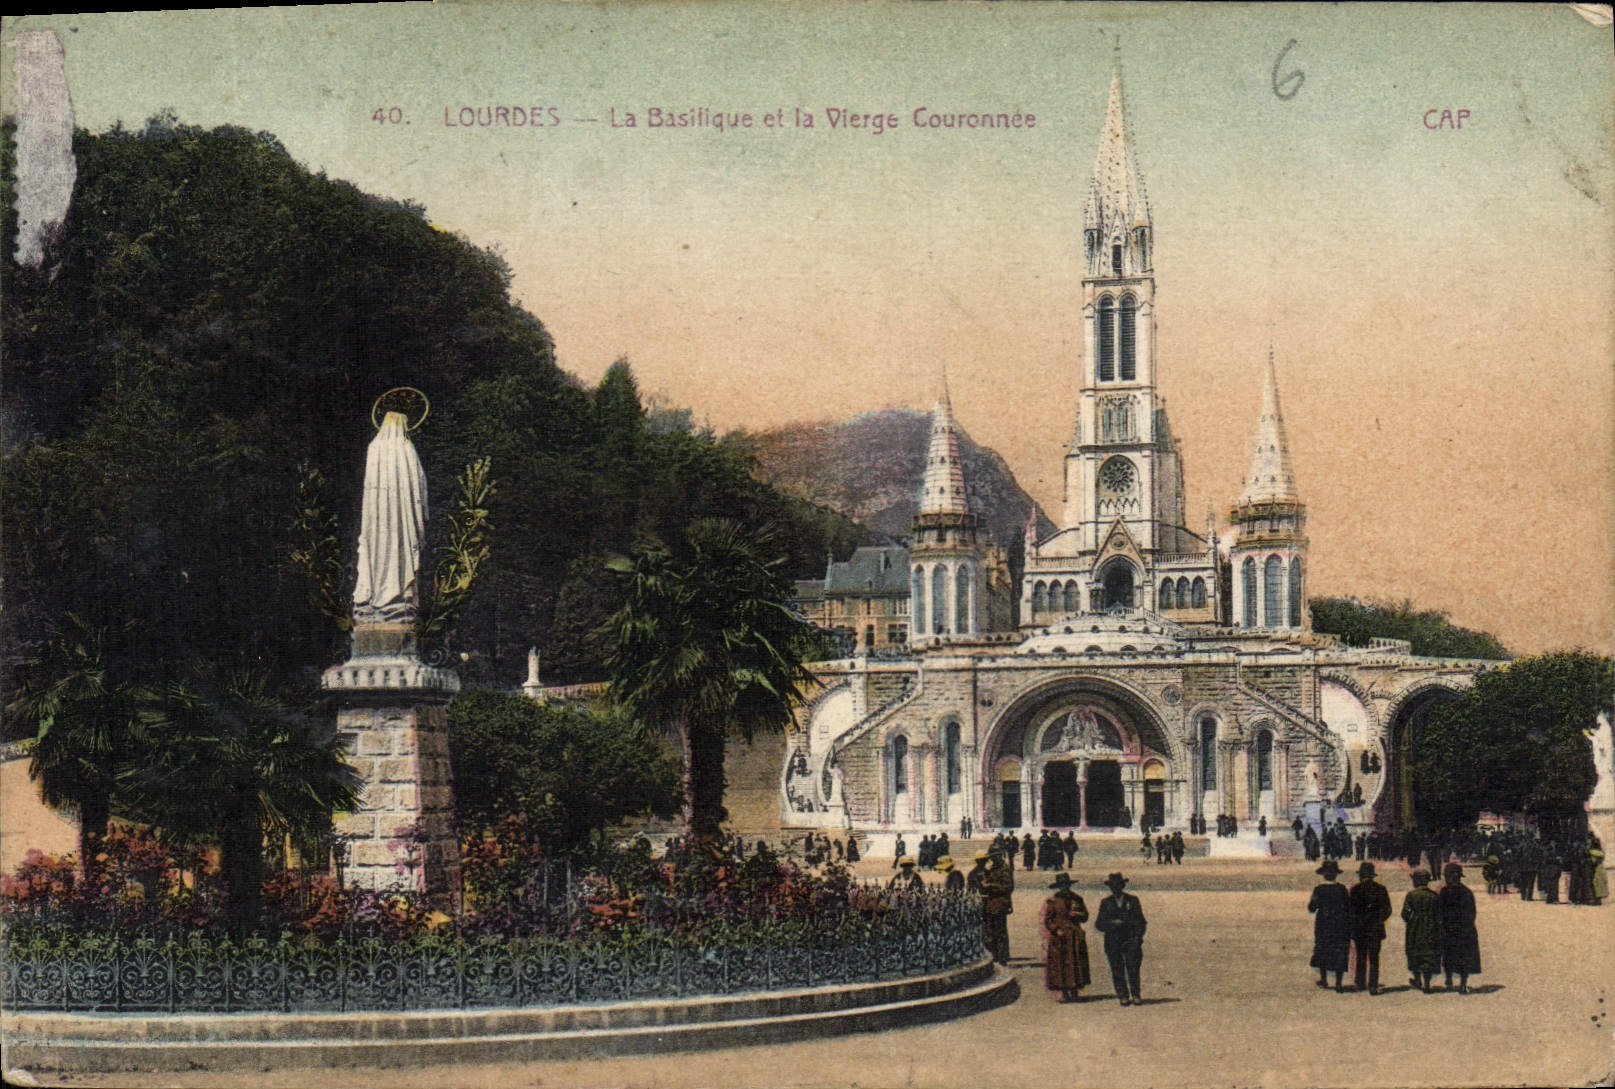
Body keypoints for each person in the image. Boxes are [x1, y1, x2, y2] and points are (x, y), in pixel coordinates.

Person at [1094, 872, 1147, 1006]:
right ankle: (1122, 995)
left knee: (1133, 968)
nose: (1116, 888)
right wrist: (1112, 923)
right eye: (1113, 886)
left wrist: (1138, 938)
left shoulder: (1133, 900)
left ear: (1122, 886)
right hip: (1113, 941)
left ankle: (1136, 994)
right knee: (1117, 969)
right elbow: (1099, 924)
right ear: (1110, 887)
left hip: (1130, 940)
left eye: (1118, 885)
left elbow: (1141, 921)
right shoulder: (1106, 903)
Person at [1040, 873, 1091, 1003]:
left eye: (1066, 885)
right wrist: (1055, 929)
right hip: (1060, 936)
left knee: (1075, 963)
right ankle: (1064, 992)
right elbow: (1048, 919)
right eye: (1062, 886)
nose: (1064, 888)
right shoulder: (1053, 901)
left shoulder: (1077, 899)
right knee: (1061, 963)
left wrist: (1077, 914)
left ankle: (1074, 991)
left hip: (1074, 935)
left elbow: (1085, 916)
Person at [1308, 858, 1351, 992]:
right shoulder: (1342, 889)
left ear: (1323, 874)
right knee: (1339, 951)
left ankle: (1324, 980)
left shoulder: (1319, 890)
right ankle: (1339, 982)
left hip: (1323, 924)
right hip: (1339, 924)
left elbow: (1312, 908)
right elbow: (1348, 907)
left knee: (1323, 949)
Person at [1437, 862, 1481, 993]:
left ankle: (1449, 980)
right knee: (1464, 957)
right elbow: (1472, 913)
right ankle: (1462, 984)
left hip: (1449, 929)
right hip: (1464, 930)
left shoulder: (1444, 892)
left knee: (1449, 954)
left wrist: (1441, 925)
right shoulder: (1466, 892)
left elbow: (1439, 911)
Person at [1349, 861, 1392, 994]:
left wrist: (1356, 922)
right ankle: (1373, 984)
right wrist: (1378, 920)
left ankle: (1360, 982)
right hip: (1375, 928)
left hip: (1360, 928)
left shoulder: (1355, 890)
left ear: (1361, 875)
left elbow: (1350, 910)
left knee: (1361, 955)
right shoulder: (1380, 889)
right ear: (1373, 875)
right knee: (1374, 957)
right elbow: (1387, 909)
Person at [1401, 870, 1441, 993]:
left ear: (1417, 881)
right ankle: (1427, 983)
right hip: (1431, 927)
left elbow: (1404, 914)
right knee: (1428, 953)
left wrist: (1411, 919)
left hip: (1415, 927)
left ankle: (1417, 979)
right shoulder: (1434, 895)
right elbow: (1439, 914)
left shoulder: (1411, 895)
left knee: (1414, 951)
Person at [981, 850, 1015, 965]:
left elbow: (1008, 887)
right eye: (992, 857)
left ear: (999, 856)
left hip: (1000, 903)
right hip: (992, 904)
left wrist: (991, 886)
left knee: (1000, 932)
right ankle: (995, 956)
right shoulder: (992, 868)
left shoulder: (1004, 869)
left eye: (995, 857)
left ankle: (1002, 957)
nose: (993, 859)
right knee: (992, 931)